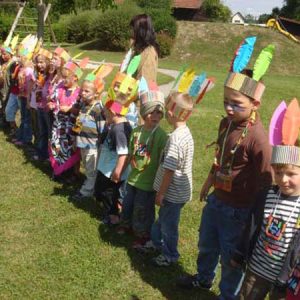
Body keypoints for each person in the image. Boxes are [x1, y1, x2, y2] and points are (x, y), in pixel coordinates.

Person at [176, 37, 274, 299]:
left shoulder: (258, 139)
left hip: (239, 212)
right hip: (217, 201)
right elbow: (221, 157)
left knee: (231, 258)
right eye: (226, 102)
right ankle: (203, 279)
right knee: (207, 245)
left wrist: (258, 218)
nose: (229, 109)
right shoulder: (226, 124)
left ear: (255, 104)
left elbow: (267, 180)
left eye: (237, 104)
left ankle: (227, 295)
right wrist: (209, 182)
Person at [230, 99, 300, 300]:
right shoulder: (267, 195)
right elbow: (251, 226)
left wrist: (287, 277)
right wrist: (240, 253)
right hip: (257, 270)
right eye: (278, 173)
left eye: (291, 174)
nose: (283, 180)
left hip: (285, 279)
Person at [117, 80, 167, 248]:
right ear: (144, 113)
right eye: (152, 113)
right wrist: (122, 170)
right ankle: (125, 224)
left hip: (148, 183)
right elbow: (131, 153)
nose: (156, 117)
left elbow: (163, 161)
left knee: (142, 209)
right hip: (132, 178)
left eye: (159, 114)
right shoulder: (136, 132)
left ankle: (142, 234)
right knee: (128, 203)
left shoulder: (161, 136)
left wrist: (160, 186)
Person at [72, 66, 113, 201]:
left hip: (92, 146)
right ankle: (93, 187)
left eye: (86, 91)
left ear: (96, 93)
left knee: (91, 171)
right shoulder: (84, 106)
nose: (82, 93)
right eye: (82, 90)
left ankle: (86, 191)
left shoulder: (98, 110)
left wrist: (100, 146)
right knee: (88, 168)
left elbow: (103, 130)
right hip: (83, 144)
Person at [94, 97, 132, 226]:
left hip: (111, 170)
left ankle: (113, 217)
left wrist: (117, 172)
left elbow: (124, 154)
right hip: (108, 168)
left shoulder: (118, 130)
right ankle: (114, 210)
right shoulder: (120, 125)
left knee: (107, 193)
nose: (104, 114)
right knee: (105, 192)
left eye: (105, 111)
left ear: (113, 112)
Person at [48, 60, 82, 180]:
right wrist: (51, 104)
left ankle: (74, 172)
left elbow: (82, 109)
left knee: (72, 148)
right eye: (62, 77)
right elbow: (52, 100)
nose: (63, 80)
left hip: (72, 126)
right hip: (59, 125)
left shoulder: (79, 93)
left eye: (66, 77)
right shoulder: (60, 89)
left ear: (76, 78)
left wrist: (70, 109)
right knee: (57, 144)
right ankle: (59, 168)